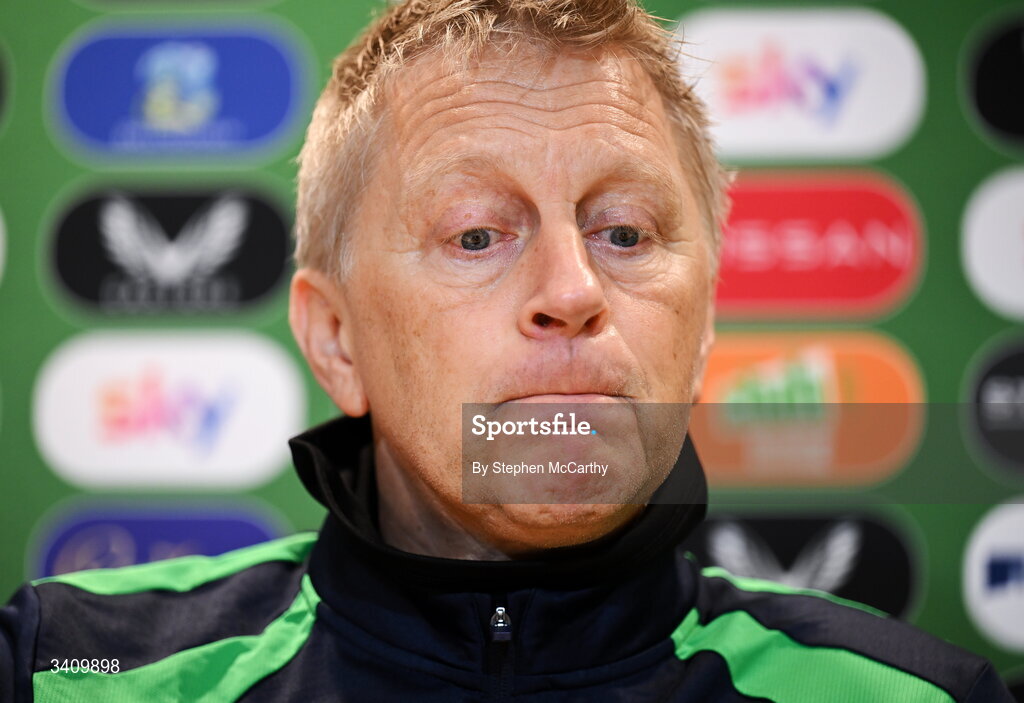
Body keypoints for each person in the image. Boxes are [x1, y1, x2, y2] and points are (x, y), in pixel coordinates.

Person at [1, 1, 1015, 700]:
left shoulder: (911, 692)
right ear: (336, 339)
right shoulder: (61, 670)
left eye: (623, 232)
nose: (572, 293)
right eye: (477, 234)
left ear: (702, 327)